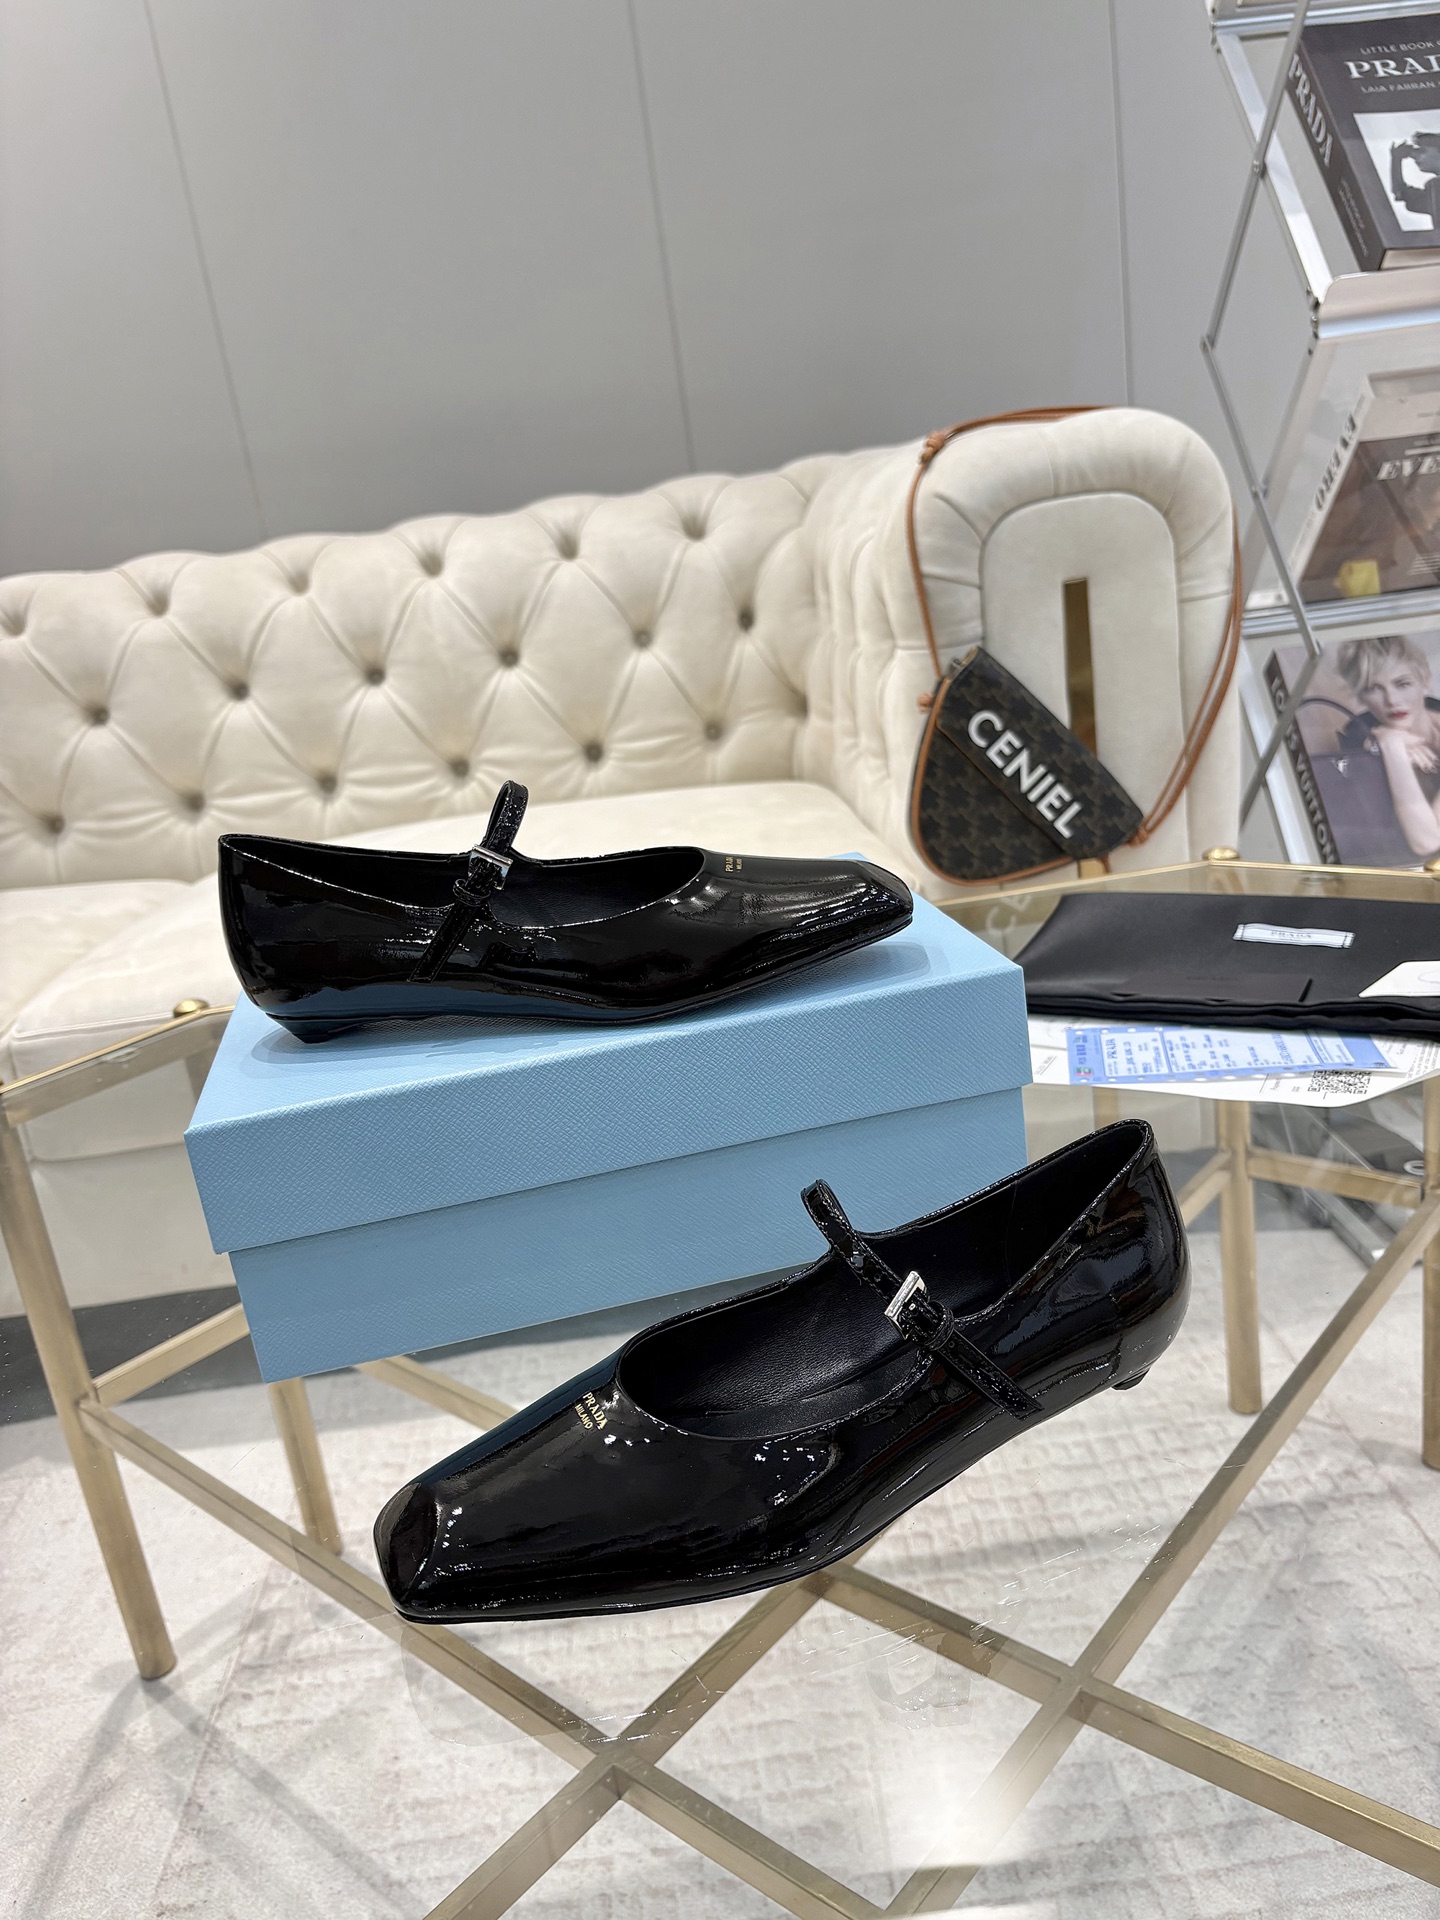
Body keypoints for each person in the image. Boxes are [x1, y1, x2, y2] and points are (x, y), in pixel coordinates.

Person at [1336, 633, 1440, 857]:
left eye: (1402, 684)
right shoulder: (1358, 739)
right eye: (1374, 688)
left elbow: (1428, 841)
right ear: (1360, 696)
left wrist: (1391, 744)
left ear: (1425, 682)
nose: (1392, 700)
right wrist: (1391, 746)